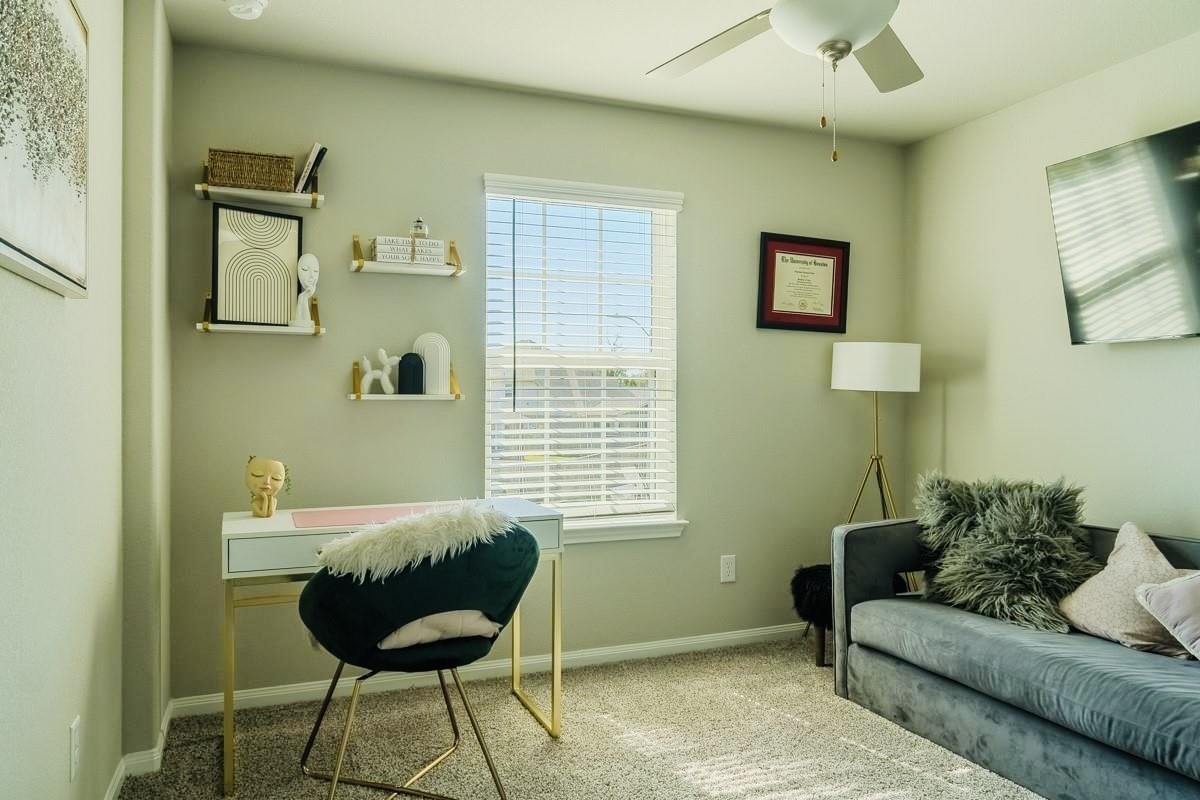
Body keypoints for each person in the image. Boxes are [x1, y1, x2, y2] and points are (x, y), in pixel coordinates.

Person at [291, 253, 320, 326]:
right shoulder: (302, 296)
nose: (312, 276)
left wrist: (305, 297)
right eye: (305, 269)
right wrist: (303, 297)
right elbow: (304, 324)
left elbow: (306, 324)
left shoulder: (303, 296)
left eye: (315, 271)